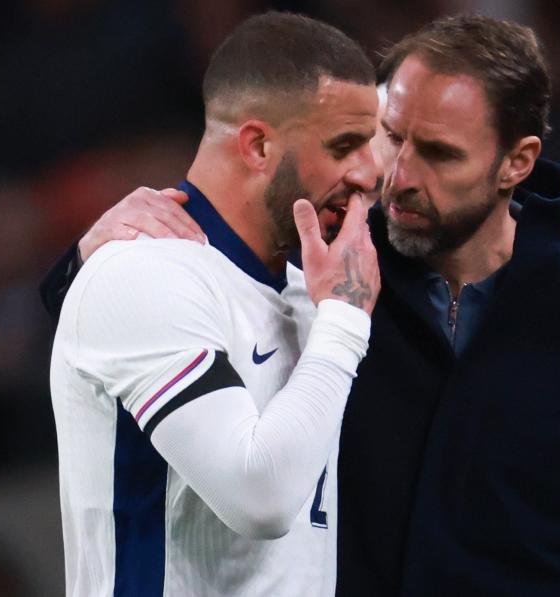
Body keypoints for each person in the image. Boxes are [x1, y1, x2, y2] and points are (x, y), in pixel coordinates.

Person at [43, 14, 560, 597]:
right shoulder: (332, 274)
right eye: (391, 139)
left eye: (441, 153)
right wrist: (89, 257)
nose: (396, 178)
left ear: (515, 162)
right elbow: (139, 322)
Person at [47, 12, 380, 597]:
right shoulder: (143, 273)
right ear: (256, 145)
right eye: (345, 145)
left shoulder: (315, 292)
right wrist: (347, 320)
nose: (370, 172)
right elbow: (260, 499)